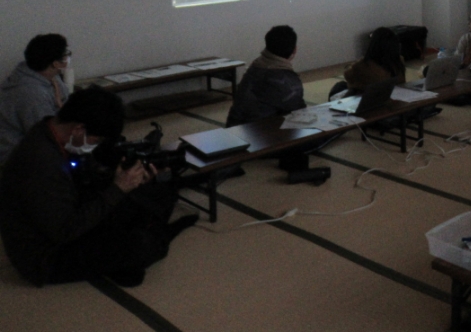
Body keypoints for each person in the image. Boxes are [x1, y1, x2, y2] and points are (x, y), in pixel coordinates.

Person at [0, 87, 196, 287]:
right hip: (46, 254)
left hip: (72, 210)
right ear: (79, 129)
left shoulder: (53, 132)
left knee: (158, 195)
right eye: (97, 139)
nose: (96, 144)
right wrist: (118, 188)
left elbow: (86, 180)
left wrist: (122, 179)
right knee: (140, 245)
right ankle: (136, 253)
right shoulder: (40, 164)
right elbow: (65, 231)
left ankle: (127, 258)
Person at [0, 33, 71, 165]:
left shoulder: (52, 77)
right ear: (55, 63)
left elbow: (65, 103)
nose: (68, 58)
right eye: (66, 55)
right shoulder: (30, 92)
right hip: (15, 153)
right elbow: (46, 133)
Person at [226, 25, 306, 127]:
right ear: (295, 49)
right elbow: (298, 111)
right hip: (258, 131)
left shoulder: (256, 65)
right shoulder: (285, 80)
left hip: (235, 126)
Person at [343, 27, 407, 93]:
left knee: (341, 85)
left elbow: (347, 75)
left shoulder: (363, 65)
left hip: (368, 96)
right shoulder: (399, 61)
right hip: (395, 93)